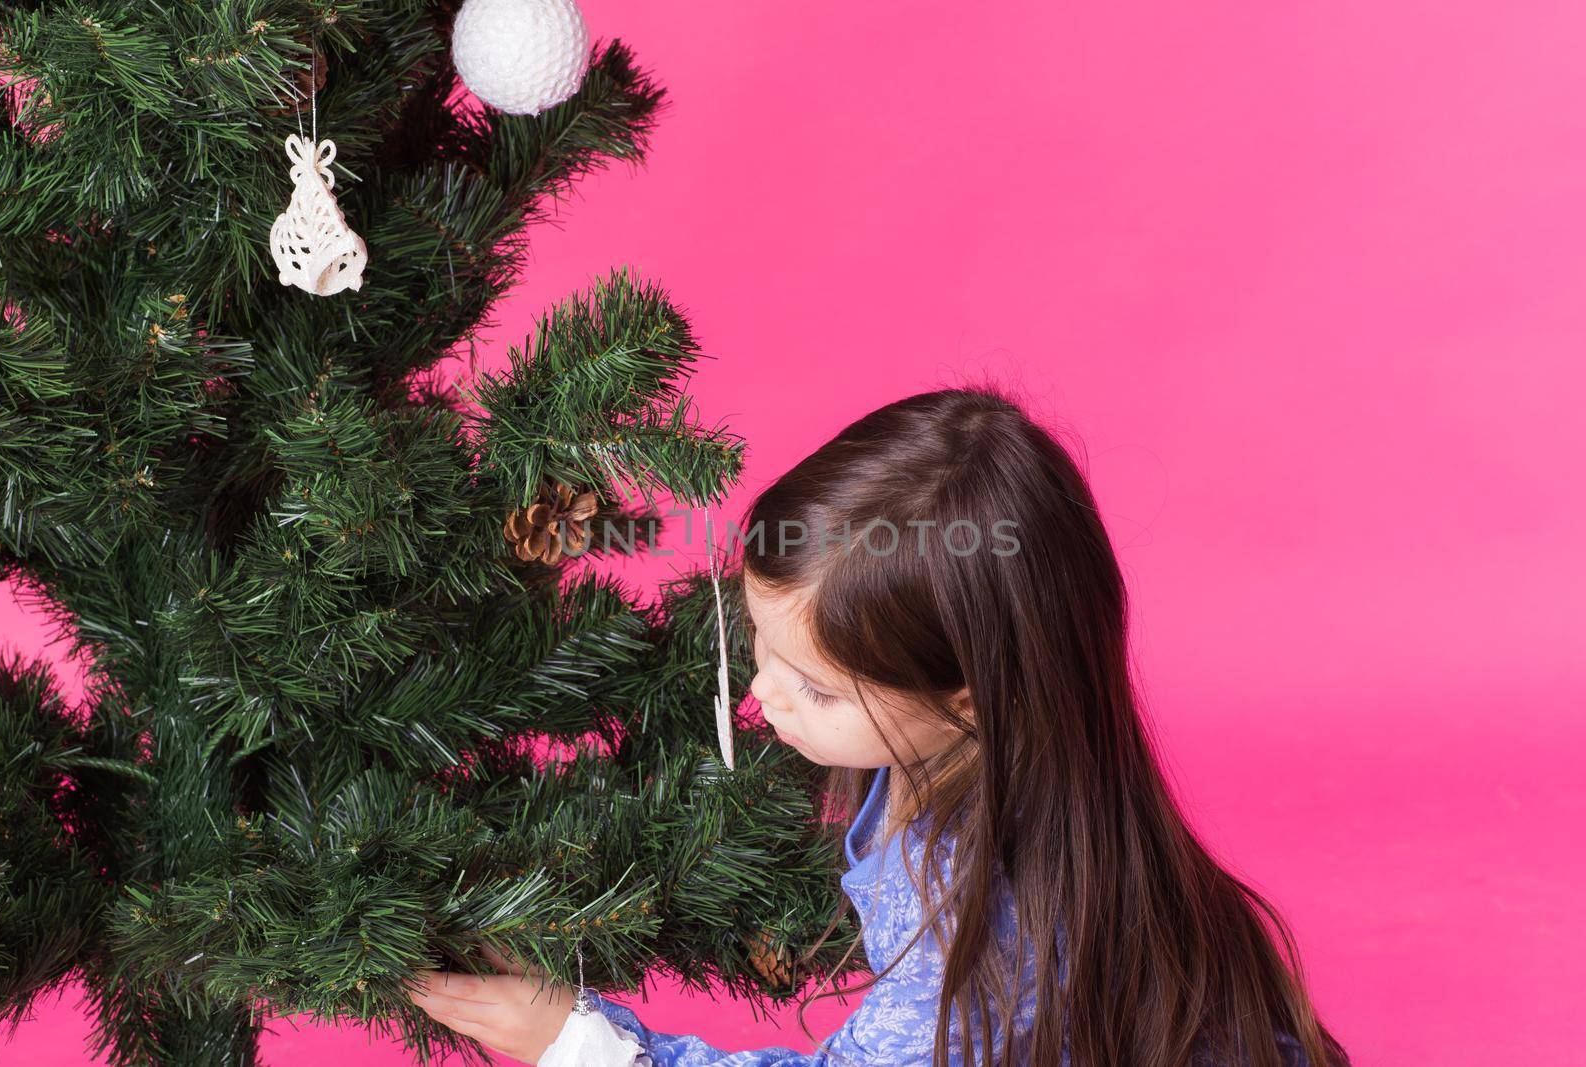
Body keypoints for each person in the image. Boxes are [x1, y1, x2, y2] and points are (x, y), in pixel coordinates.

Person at [407, 384, 1351, 1067]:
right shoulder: (987, 760)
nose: (765, 700)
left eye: (815, 689)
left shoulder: (983, 925)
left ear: (969, 694)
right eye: (758, 651)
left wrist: (585, 1046)